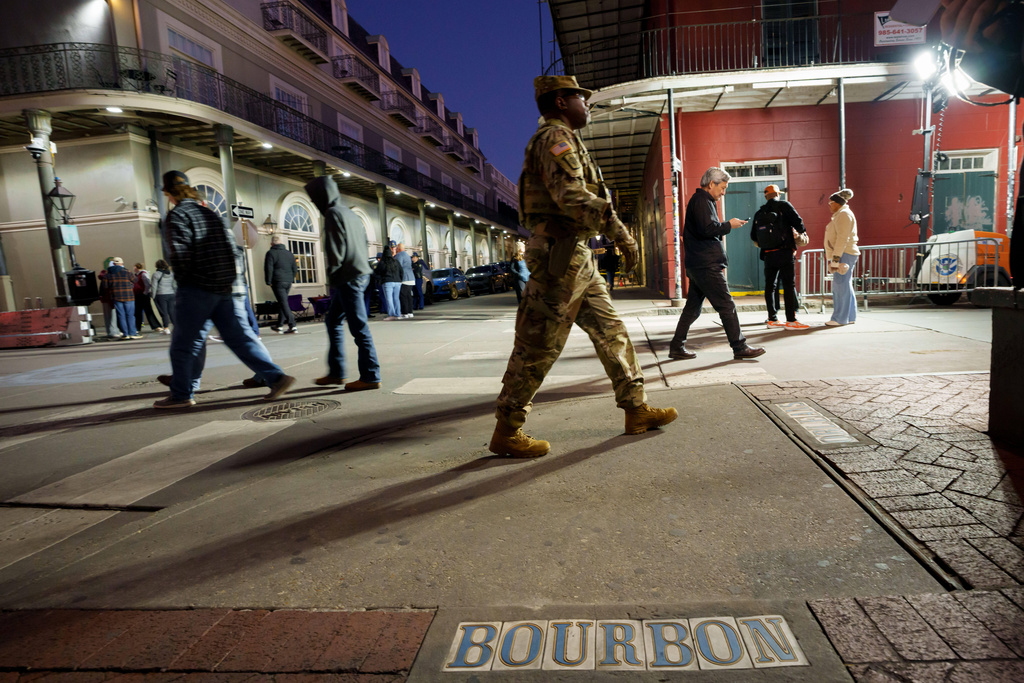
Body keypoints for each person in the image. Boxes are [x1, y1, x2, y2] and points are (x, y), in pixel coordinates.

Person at [490, 75, 678, 458]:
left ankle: (636, 409)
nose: (586, 104)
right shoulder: (552, 140)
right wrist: (621, 233)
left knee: (612, 331)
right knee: (538, 345)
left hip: (576, 254)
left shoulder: (567, 140)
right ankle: (507, 429)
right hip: (559, 256)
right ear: (561, 101)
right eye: (580, 97)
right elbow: (572, 196)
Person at [156, 169, 294, 408]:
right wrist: (231, 281)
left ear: (169, 193)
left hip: (198, 288)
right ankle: (276, 377)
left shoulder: (177, 215)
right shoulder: (210, 214)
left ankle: (181, 394)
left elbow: (180, 255)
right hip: (226, 287)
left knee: (184, 343)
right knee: (239, 338)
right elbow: (233, 250)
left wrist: (186, 285)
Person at [667, 167, 766, 361]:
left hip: (699, 264)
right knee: (726, 305)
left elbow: (705, 229)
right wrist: (729, 225)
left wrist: (725, 226)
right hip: (706, 264)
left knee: (692, 309)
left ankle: (676, 346)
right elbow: (707, 229)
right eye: (722, 187)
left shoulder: (702, 201)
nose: (723, 192)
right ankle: (739, 347)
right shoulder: (702, 200)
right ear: (711, 184)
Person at [305, 175, 381, 392]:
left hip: (347, 276)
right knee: (333, 321)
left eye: (314, 198)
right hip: (359, 273)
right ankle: (336, 373)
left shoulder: (332, 213)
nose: (314, 203)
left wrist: (332, 276)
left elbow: (335, 250)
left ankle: (370, 375)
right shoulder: (349, 212)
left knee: (359, 328)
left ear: (321, 196)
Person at [751, 184, 808, 329]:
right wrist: (799, 232)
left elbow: (753, 236)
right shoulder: (784, 205)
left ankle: (772, 319)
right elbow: (799, 223)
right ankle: (791, 320)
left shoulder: (760, 212)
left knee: (770, 286)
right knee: (789, 285)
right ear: (778, 194)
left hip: (768, 255)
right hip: (784, 252)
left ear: (765, 196)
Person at [823, 188, 859, 327]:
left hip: (844, 253)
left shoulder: (843, 215)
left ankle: (839, 318)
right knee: (845, 284)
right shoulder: (842, 214)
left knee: (840, 285)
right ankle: (849, 316)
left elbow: (842, 238)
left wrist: (835, 259)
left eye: (830, 203)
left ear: (837, 203)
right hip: (846, 253)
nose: (829, 205)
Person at [264, 234, 298, 333]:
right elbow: (295, 268)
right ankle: (279, 325)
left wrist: (268, 281)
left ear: (271, 243)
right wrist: (291, 278)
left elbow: (268, 268)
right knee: (283, 303)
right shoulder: (289, 254)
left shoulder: (271, 253)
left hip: (278, 281)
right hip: (288, 281)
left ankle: (292, 325)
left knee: (283, 303)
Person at [103, 257, 141, 340]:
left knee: (121, 315)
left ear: (114, 264)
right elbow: (135, 280)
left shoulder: (108, 274)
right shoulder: (127, 272)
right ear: (121, 264)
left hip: (116, 297)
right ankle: (133, 333)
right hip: (128, 296)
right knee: (130, 315)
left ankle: (125, 334)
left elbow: (105, 286)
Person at [374, 244, 403, 320]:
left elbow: (377, 272)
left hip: (387, 282)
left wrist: (379, 280)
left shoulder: (382, 263)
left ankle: (391, 314)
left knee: (389, 299)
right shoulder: (396, 262)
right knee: (396, 298)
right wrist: (400, 280)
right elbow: (401, 271)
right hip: (397, 282)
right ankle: (398, 313)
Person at [132, 262, 162, 333]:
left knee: (148, 310)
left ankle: (156, 326)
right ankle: (137, 327)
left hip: (143, 295)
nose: (133, 268)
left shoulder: (143, 274)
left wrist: (145, 292)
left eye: (134, 267)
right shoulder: (136, 275)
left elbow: (147, 284)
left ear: (137, 267)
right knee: (137, 311)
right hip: (137, 295)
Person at [97, 258, 121, 339]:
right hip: (109, 298)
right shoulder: (109, 276)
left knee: (109, 316)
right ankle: (113, 331)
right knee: (112, 315)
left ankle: (112, 331)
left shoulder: (104, 276)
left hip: (105, 298)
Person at [151, 259, 176, 335]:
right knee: (172, 312)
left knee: (164, 312)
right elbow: (174, 285)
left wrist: (153, 296)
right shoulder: (171, 274)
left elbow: (154, 286)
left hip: (161, 295)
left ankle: (166, 328)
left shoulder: (156, 274)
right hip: (171, 294)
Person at [395, 242, 415, 318]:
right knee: (408, 295)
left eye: (396, 248)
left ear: (399, 249)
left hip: (404, 278)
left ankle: (405, 312)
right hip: (411, 277)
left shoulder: (399, 255)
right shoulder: (407, 255)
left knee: (403, 296)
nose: (396, 249)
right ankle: (410, 312)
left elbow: (398, 266)